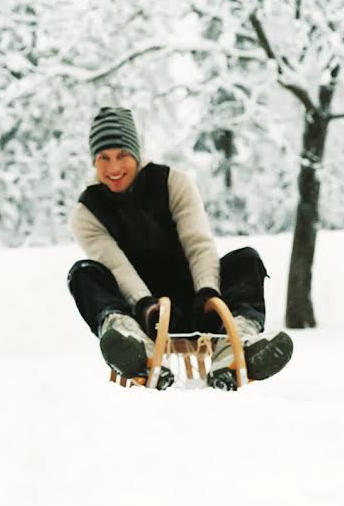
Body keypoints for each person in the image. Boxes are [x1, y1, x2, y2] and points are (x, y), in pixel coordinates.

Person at [66, 106, 293, 390]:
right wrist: (145, 306)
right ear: (94, 161)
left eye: (122, 155)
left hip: (194, 296)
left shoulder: (173, 183)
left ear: (135, 154)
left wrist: (208, 293)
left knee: (246, 259)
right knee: (84, 274)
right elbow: (116, 266)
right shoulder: (87, 212)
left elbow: (198, 244)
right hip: (140, 312)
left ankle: (235, 345)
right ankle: (134, 348)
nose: (113, 168)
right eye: (104, 158)